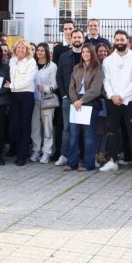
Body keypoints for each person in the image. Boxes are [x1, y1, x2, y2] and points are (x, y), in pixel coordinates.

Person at [101, 30, 132, 173]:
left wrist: (122, 96)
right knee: (112, 132)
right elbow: (106, 80)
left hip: (129, 101)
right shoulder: (108, 60)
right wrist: (112, 95)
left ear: (127, 41)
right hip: (112, 100)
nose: (119, 42)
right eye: (117, 40)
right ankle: (113, 161)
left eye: (122, 40)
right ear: (114, 41)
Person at [66, 43, 102, 171]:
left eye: (88, 52)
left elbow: (96, 89)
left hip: (90, 103)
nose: (85, 54)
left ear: (92, 53)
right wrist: (75, 101)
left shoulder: (98, 68)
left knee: (88, 135)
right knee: (73, 134)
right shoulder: (77, 68)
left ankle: (88, 164)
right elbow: (71, 87)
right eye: (83, 52)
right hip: (76, 103)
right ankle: (72, 163)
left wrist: (82, 100)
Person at [54, 28, 85, 165]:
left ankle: (83, 155)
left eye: (79, 37)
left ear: (83, 39)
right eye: (74, 37)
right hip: (67, 98)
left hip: (84, 99)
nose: (77, 39)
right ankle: (64, 155)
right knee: (66, 128)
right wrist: (64, 95)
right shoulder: (64, 56)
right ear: (71, 39)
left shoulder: (88, 55)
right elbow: (59, 77)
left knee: (84, 128)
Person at [7, 39, 37, 166]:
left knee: (25, 125)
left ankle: (22, 156)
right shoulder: (12, 61)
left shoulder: (31, 62)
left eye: (23, 48)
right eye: (18, 47)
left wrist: (11, 85)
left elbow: (28, 81)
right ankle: (18, 151)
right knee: (15, 125)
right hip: (14, 95)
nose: (20, 50)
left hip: (26, 95)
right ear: (15, 49)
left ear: (27, 50)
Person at [31, 43, 57, 164]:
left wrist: (45, 89)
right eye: (38, 50)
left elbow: (55, 85)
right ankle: (36, 150)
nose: (39, 52)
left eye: (42, 50)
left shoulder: (52, 66)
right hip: (34, 99)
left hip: (48, 99)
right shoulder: (32, 64)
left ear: (46, 52)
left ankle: (47, 152)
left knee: (47, 127)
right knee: (35, 127)